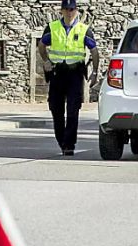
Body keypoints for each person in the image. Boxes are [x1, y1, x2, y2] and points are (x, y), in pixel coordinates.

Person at [37, 0, 100, 156]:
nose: (69, 12)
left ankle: (69, 144)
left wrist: (95, 72)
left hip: (75, 74)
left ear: (76, 11)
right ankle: (62, 141)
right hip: (58, 73)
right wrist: (46, 61)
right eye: (66, 9)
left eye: (72, 9)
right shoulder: (53, 28)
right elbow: (41, 45)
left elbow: (94, 51)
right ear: (61, 11)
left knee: (73, 110)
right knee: (56, 109)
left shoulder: (84, 29)